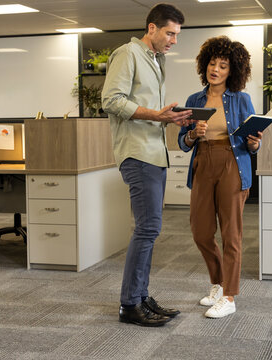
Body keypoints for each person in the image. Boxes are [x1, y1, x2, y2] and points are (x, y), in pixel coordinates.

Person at [102, 3, 192, 327]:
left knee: (150, 230)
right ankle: (130, 304)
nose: (173, 40)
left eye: (177, 35)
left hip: (154, 153)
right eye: (170, 33)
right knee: (147, 228)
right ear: (151, 28)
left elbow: (151, 111)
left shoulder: (156, 59)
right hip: (137, 154)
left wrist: (173, 118)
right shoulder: (128, 54)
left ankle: (140, 296)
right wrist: (158, 115)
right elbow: (111, 100)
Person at [178, 36, 262, 318]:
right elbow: (182, 141)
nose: (216, 69)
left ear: (232, 70)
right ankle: (217, 281)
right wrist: (192, 134)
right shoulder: (194, 100)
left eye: (223, 65)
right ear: (205, 65)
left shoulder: (241, 99)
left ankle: (229, 295)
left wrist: (255, 143)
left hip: (232, 163)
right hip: (203, 163)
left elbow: (253, 143)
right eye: (212, 63)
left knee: (231, 234)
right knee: (200, 231)